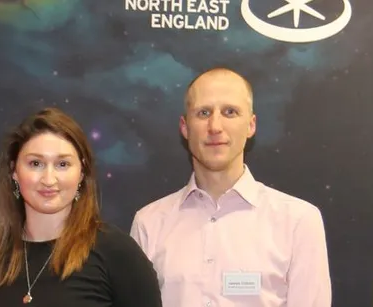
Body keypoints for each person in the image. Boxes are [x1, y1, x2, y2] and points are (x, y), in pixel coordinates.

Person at [129, 67, 332, 306]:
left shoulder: (298, 222)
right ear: (185, 127)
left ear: (251, 125)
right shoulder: (149, 224)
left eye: (230, 112)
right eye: (203, 113)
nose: (215, 126)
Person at [0, 107, 161, 307]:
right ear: (14, 171)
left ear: (82, 173)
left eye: (62, 164)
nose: (49, 179)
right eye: (35, 163)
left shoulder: (116, 252)